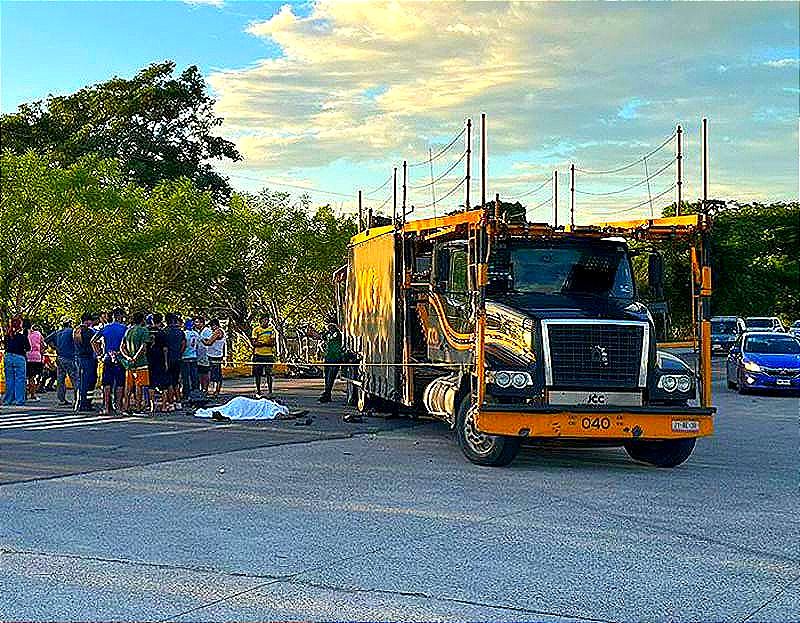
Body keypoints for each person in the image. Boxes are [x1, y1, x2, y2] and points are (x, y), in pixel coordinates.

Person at [91, 308, 127, 415]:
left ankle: (106, 407)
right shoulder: (125, 328)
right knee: (120, 383)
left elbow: (93, 341)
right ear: (121, 317)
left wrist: (99, 354)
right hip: (120, 357)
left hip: (107, 357)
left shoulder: (105, 328)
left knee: (107, 383)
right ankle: (118, 406)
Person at [120, 312, 152, 414]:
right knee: (139, 385)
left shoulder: (128, 331)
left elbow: (122, 347)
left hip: (129, 364)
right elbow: (143, 347)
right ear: (142, 320)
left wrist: (128, 357)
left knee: (128, 385)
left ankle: (126, 406)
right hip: (141, 363)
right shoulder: (144, 330)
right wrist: (135, 357)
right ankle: (138, 406)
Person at [45, 319, 78, 406]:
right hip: (70, 357)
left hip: (59, 357)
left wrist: (55, 347)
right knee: (75, 379)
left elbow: (46, 339)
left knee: (60, 379)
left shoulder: (57, 332)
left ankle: (61, 399)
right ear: (70, 324)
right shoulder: (71, 331)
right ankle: (77, 399)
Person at [2, 316, 30, 406]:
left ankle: (8, 399)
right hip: (19, 357)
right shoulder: (22, 336)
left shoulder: (7, 335)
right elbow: (28, 348)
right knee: (20, 379)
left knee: (9, 379)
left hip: (8, 357)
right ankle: (19, 400)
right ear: (20, 325)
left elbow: (5, 346)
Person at [73, 312, 98, 412]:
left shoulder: (76, 330)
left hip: (78, 358)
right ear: (88, 321)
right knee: (88, 382)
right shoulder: (89, 332)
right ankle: (85, 403)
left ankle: (80, 402)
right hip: (88, 358)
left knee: (81, 381)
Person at [146, 312, 168, 413]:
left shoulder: (147, 332)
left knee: (151, 383)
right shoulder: (162, 333)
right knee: (163, 384)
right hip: (160, 359)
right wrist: (166, 361)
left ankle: (152, 405)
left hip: (150, 359)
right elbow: (165, 349)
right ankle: (164, 405)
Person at [163, 313, 186, 411]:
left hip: (168, 359)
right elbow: (184, 344)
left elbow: (165, 348)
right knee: (176, 381)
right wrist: (180, 353)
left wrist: (165, 361)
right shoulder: (180, 332)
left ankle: (171, 403)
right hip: (178, 358)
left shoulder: (165, 332)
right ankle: (178, 402)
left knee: (169, 382)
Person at [318, 316, 343, 403]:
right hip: (328, 358)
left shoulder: (338, 334)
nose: (328, 327)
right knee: (326, 377)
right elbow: (321, 337)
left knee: (331, 377)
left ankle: (327, 394)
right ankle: (327, 394)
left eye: (330, 325)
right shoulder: (328, 334)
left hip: (335, 358)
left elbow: (336, 338)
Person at [251, 315, 276, 398]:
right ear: (260, 321)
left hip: (269, 355)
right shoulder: (256, 330)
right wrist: (263, 343)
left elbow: (272, 342)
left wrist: (262, 343)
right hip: (258, 355)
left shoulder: (271, 329)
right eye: (264, 320)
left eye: (267, 320)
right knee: (258, 374)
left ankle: (270, 392)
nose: (266, 322)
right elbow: (254, 343)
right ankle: (258, 391)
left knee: (269, 373)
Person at [203, 319, 226, 397]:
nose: (211, 328)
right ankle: (215, 391)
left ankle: (216, 391)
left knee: (216, 375)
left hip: (215, 355)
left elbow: (209, 343)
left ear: (215, 325)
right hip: (216, 354)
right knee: (215, 373)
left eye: (211, 326)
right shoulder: (220, 331)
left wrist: (201, 339)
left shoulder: (218, 331)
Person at [25, 320, 44, 402]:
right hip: (36, 357)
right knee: (33, 377)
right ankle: (32, 395)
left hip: (26, 356)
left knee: (26, 377)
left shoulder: (24, 334)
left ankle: (25, 394)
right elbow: (43, 345)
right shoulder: (38, 334)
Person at [181, 318, 200, 399]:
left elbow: (183, 344)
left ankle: (186, 393)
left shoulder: (184, 333)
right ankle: (196, 391)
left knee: (186, 377)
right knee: (194, 376)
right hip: (194, 356)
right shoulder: (196, 334)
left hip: (185, 357)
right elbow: (197, 345)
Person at [195, 316, 210, 393]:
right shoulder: (197, 331)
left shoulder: (207, 331)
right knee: (200, 373)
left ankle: (205, 389)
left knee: (205, 373)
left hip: (205, 355)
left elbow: (208, 341)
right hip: (198, 355)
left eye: (197, 322)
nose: (195, 324)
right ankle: (201, 388)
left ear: (202, 323)